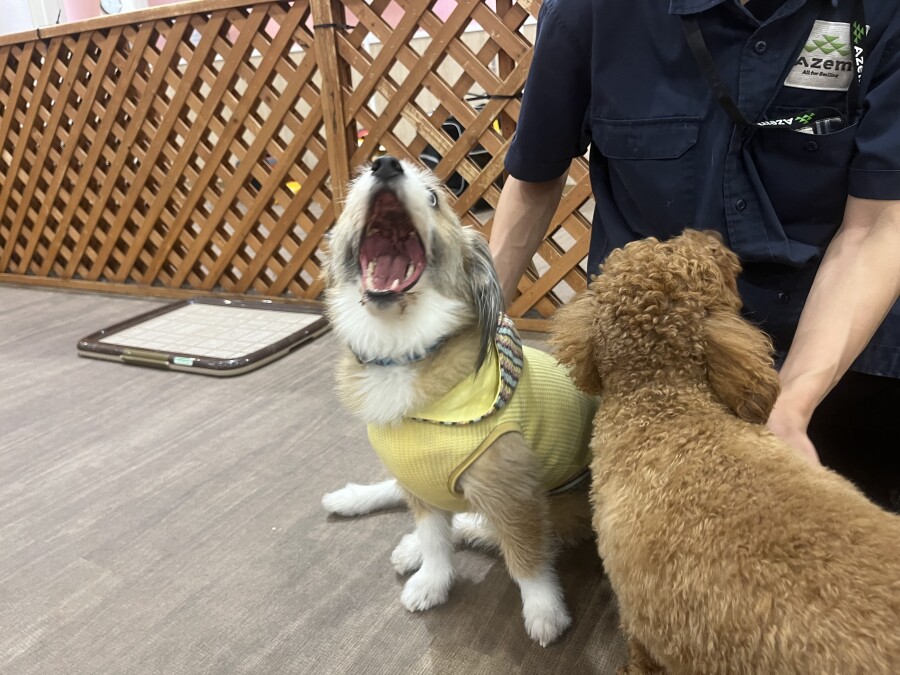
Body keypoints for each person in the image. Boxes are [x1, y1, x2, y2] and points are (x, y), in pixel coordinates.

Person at [488, 0, 900, 510]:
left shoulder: (881, 14)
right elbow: (535, 178)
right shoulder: (591, 12)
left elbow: (877, 225)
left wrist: (792, 406)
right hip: (653, 366)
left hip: (836, 357)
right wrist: (478, 333)